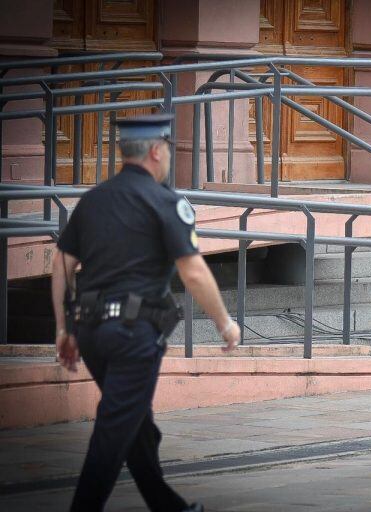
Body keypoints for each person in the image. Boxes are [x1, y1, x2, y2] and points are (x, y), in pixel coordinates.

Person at [51, 114, 241, 511]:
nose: (168, 156)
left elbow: (62, 265)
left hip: (90, 333)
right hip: (133, 334)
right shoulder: (165, 201)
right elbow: (192, 270)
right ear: (156, 150)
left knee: (136, 427)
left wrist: (63, 329)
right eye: (168, 149)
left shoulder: (93, 199)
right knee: (113, 430)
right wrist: (225, 323)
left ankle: (169, 507)